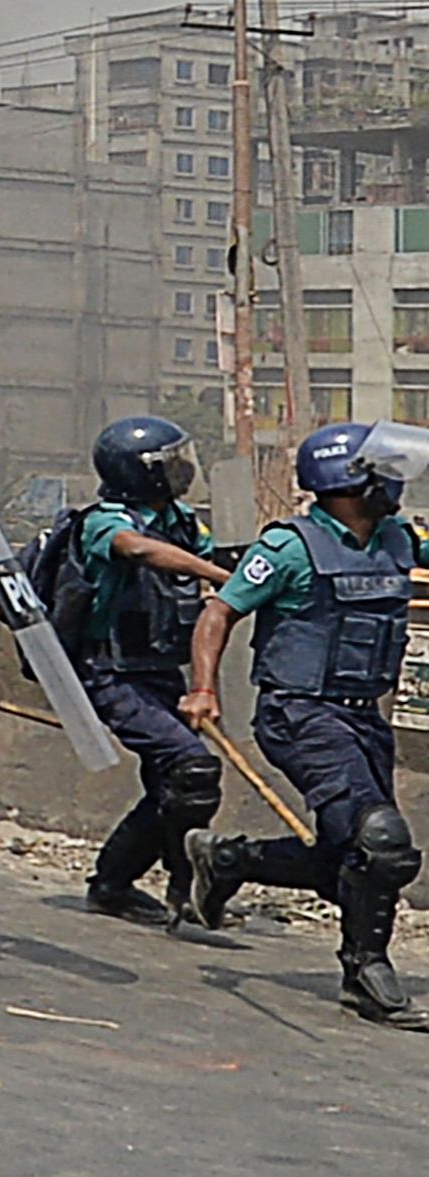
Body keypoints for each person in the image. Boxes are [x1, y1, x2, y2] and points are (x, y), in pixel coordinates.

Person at [185, 420, 429, 1030]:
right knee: (383, 843)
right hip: (299, 713)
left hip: (363, 716)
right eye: (381, 472)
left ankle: (230, 861)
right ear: (347, 480)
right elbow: (219, 612)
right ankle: (366, 973)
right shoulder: (289, 546)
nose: (393, 482)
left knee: (348, 858)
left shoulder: (398, 537)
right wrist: (204, 688)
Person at [66, 416, 233, 926]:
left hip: (162, 669)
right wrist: (215, 573)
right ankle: (172, 884)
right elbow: (136, 549)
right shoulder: (104, 520)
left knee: (178, 787)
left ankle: (127, 884)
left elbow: (207, 598)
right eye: (171, 464)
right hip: (111, 672)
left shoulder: (183, 522)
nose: (183, 471)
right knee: (193, 768)